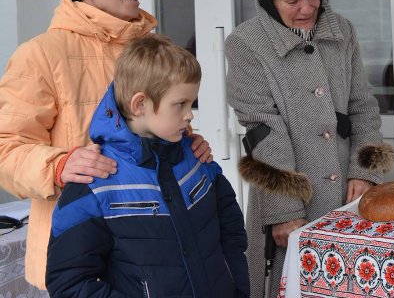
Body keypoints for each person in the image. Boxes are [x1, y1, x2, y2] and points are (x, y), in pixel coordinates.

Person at [0, 0, 211, 291]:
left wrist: (188, 145)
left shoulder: (152, 49)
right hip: (80, 254)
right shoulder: (41, 55)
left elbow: (159, 129)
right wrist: (58, 165)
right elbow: (6, 147)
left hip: (158, 248)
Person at [226, 0, 394, 298]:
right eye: (292, 1)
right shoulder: (246, 43)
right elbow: (263, 131)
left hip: (346, 193)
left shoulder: (341, 31)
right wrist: (284, 210)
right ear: (270, 0)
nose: (306, 9)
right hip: (290, 198)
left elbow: (363, 107)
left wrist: (364, 172)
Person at [45, 35, 249, 297]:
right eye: (180, 104)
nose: (189, 115)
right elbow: (69, 283)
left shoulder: (196, 158)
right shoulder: (95, 183)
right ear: (140, 104)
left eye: (191, 103)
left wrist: (239, 288)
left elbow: (232, 236)